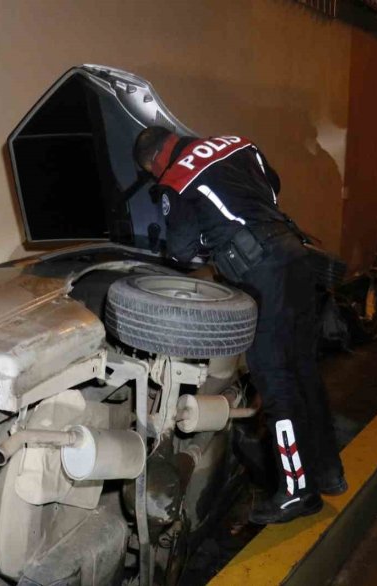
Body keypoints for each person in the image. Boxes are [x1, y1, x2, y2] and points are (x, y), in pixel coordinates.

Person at [133, 126, 346, 524]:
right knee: (303, 371)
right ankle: (328, 472)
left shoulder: (175, 179)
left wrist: (213, 242)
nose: (155, 179)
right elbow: (272, 183)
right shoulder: (236, 143)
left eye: (151, 173)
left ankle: (296, 491)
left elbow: (182, 254)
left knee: (275, 382)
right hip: (294, 255)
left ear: (154, 162)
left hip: (262, 274)